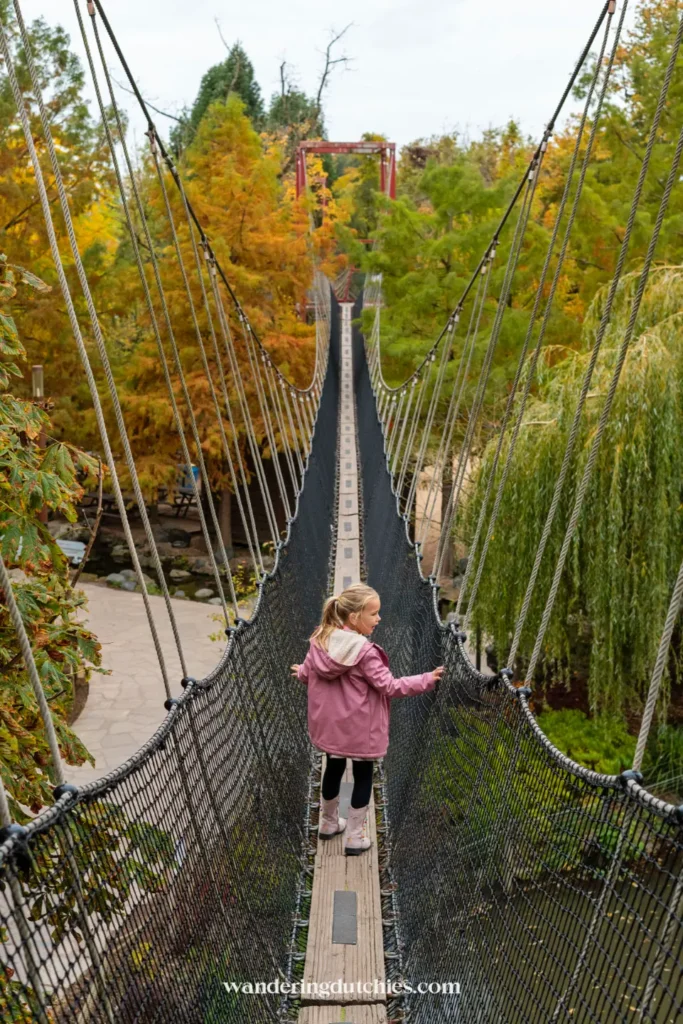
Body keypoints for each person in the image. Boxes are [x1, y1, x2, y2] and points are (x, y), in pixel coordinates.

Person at [291, 583, 443, 856]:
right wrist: (426, 679)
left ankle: (327, 824)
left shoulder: (320, 639)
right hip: (361, 730)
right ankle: (354, 837)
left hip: (329, 727)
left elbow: (308, 673)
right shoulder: (365, 651)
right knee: (363, 777)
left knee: (333, 769)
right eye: (373, 614)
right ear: (354, 617)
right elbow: (390, 686)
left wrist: (301, 670)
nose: (379, 618)